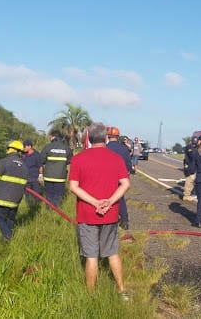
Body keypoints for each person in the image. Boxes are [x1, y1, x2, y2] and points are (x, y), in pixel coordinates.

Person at [68, 122, 130, 298]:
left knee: (91, 256)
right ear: (105, 138)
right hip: (110, 214)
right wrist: (109, 202)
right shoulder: (116, 159)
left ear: (89, 138)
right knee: (112, 253)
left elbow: (73, 187)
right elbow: (126, 184)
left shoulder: (79, 159)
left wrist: (95, 203)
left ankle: (90, 295)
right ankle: (122, 290)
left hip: (87, 214)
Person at [0, 140, 28, 243]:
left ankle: (8, 235)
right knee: (10, 220)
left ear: (10, 149)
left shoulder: (5, 162)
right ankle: (5, 241)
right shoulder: (24, 166)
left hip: (2, 198)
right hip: (16, 200)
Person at [106, 126, 132, 230]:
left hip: (107, 177)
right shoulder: (124, 148)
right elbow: (128, 165)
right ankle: (125, 221)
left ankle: (110, 220)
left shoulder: (105, 148)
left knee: (107, 198)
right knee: (120, 199)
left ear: (108, 137)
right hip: (121, 178)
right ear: (118, 137)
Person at [41, 130, 73, 207]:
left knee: (49, 195)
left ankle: (48, 211)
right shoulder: (67, 148)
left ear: (53, 137)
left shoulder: (47, 147)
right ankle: (56, 211)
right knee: (58, 196)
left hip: (48, 177)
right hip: (60, 177)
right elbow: (70, 161)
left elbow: (42, 160)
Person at [22, 139, 42, 209]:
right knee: (27, 196)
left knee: (37, 194)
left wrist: (40, 175)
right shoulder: (23, 155)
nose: (23, 148)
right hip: (26, 179)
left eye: (24, 146)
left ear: (29, 146)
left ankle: (37, 207)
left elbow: (40, 166)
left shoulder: (37, 155)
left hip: (35, 179)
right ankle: (29, 207)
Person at [182, 137, 199, 202]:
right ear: (191, 142)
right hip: (190, 167)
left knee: (195, 182)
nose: (194, 145)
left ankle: (193, 194)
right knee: (189, 181)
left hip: (196, 167)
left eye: (195, 143)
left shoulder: (197, 148)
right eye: (193, 143)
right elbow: (191, 156)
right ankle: (186, 195)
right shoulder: (189, 147)